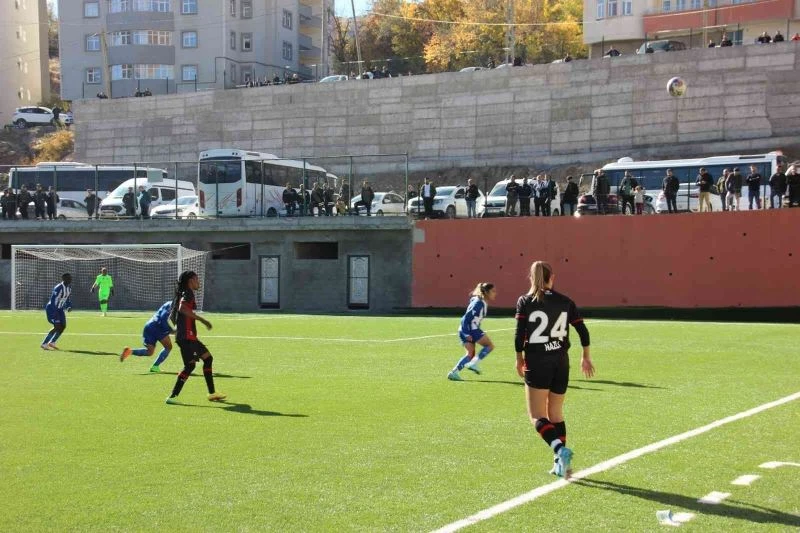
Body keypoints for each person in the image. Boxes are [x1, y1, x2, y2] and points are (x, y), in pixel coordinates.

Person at [514, 261, 594, 478]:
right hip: (561, 361)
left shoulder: (525, 301)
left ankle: (560, 450)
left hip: (538, 362)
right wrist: (585, 357)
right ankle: (562, 465)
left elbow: (519, 334)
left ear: (531, 278)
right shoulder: (565, 301)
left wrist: (518, 357)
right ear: (553, 277)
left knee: (536, 415)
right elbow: (583, 331)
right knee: (556, 413)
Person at [165, 271, 226, 404]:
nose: (199, 282)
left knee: (208, 358)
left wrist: (179, 328)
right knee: (190, 366)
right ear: (191, 280)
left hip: (188, 337)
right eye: (197, 279)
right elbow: (182, 308)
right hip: (187, 337)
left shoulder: (183, 293)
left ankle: (212, 393)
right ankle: (172, 397)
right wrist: (202, 320)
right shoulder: (188, 293)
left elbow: (175, 315)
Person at [447, 282, 497, 381]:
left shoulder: (478, 300)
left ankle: (453, 373)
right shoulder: (479, 303)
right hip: (470, 330)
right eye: (493, 291)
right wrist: (467, 333)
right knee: (489, 346)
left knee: (470, 354)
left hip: (465, 329)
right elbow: (465, 318)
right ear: (486, 292)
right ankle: (474, 363)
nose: (495, 293)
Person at [120, 300, 174, 373]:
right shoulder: (173, 306)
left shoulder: (168, 303)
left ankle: (130, 351)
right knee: (168, 347)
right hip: (158, 328)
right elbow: (164, 320)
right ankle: (155, 367)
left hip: (149, 325)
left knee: (149, 352)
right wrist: (172, 331)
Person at [41, 273, 72, 350]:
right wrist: (55, 313)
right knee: (57, 326)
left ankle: (52, 342)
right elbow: (53, 300)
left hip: (60, 309)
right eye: (69, 278)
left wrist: (68, 306)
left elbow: (67, 299)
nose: (71, 279)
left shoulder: (69, 288)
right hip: (52, 309)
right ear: (64, 279)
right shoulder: (58, 287)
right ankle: (44, 343)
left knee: (63, 326)